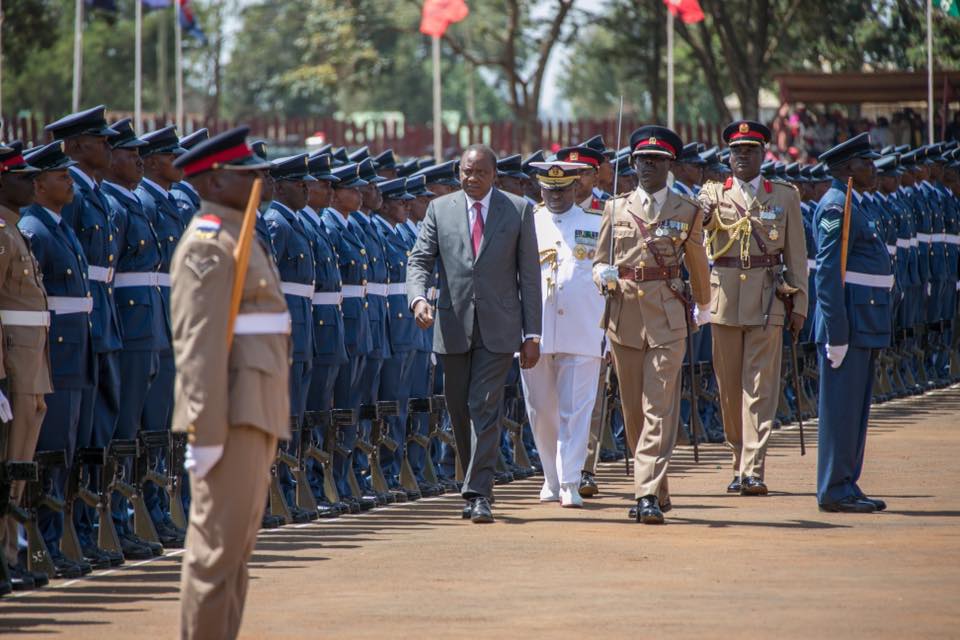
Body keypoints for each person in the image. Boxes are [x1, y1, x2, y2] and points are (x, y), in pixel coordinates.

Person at [170, 126, 290, 639]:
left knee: (237, 552)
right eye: (246, 173)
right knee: (215, 554)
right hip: (231, 415)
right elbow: (198, 347)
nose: (259, 178)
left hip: (256, 408)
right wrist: (207, 432)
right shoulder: (209, 244)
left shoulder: (240, 234)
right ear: (215, 181)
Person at [406, 144, 542, 524]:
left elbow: (529, 276)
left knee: (485, 405)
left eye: (480, 172)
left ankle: (479, 491)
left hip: (500, 328)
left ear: (494, 174)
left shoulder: (517, 210)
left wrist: (533, 334)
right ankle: (472, 486)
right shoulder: (440, 210)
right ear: (458, 173)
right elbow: (420, 260)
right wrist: (418, 299)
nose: (472, 178)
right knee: (460, 407)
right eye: (467, 172)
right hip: (451, 326)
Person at [593, 126, 710, 523]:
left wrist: (705, 306)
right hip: (624, 315)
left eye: (656, 160)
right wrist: (601, 274)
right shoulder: (615, 208)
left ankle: (643, 493)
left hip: (666, 315)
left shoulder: (686, 210)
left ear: (669, 164)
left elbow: (697, 264)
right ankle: (658, 489)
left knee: (658, 407)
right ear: (633, 163)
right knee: (633, 412)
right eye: (642, 160)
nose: (647, 167)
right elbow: (598, 259)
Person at [697, 120, 808, 496]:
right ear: (728, 156)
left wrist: (800, 306)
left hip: (767, 300)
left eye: (750, 150)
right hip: (724, 301)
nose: (743, 156)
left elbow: (796, 256)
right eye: (737, 151)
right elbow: (699, 236)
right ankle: (736, 458)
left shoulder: (784, 196)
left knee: (759, 388)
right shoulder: (712, 194)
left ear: (763, 154)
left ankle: (753, 468)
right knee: (729, 391)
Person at [18, 141, 96, 578]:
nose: (70, 182)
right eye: (61, 176)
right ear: (38, 183)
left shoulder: (59, 227)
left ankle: (56, 540)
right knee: (47, 454)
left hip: (76, 352)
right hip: (55, 356)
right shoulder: (34, 229)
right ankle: (38, 545)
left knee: (67, 453)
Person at [100, 121, 173, 557]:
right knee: (125, 429)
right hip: (127, 325)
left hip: (153, 321)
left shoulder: (134, 200)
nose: (138, 160)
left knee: (154, 429)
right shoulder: (117, 200)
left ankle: (149, 512)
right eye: (130, 152)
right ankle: (116, 520)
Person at [813, 132, 891, 513]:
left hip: (864, 320)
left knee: (856, 412)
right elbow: (827, 274)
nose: (873, 169)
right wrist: (837, 333)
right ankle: (833, 487)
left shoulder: (852, 203)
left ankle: (846, 481)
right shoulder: (835, 206)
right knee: (841, 411)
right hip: (847, 324)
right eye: (866, 163)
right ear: (846, 168)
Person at [519, 159, 604, 508]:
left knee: (577, 409)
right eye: (549, 190)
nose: (555, 196)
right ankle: (551, 477)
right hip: (535, 331)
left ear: (575, 188)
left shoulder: (596, 224)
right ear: (541, 189)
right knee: (541, 409)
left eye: (562, 189)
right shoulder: (528, 222)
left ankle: (571, 480)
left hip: (583, 329)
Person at [0, 142, 54, 590]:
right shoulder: (2, 232)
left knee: (21, 461)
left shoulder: (15, 229)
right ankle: (5, 555)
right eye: (20, 176)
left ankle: (11, 552)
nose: (29, 183)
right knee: (9, 461)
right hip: (12, 361)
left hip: (31, 358)